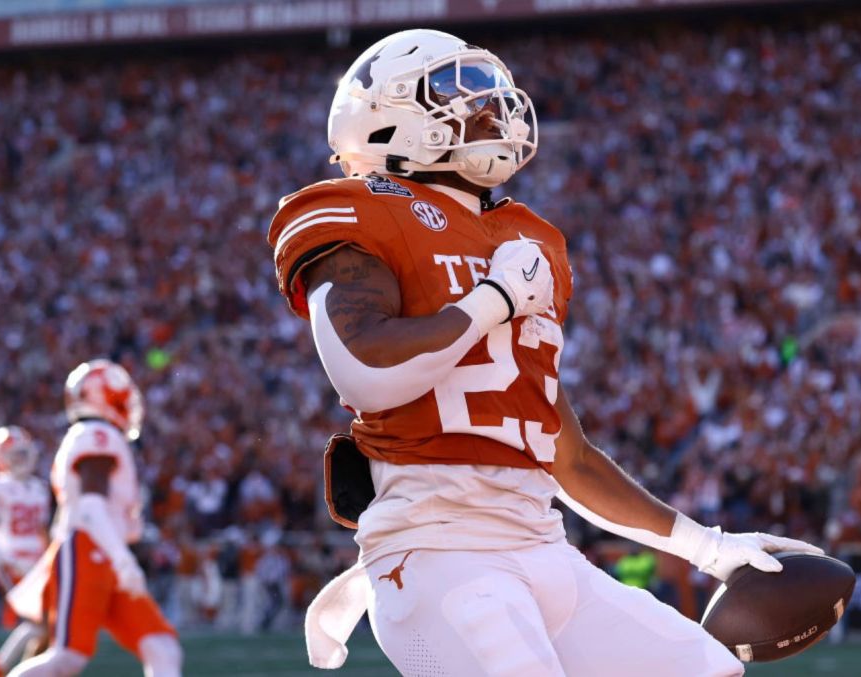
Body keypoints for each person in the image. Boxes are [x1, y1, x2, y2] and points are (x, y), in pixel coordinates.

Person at [269, 29, 822, 676]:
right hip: (437, 552)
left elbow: (568, 456)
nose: (489, 106)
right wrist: (496, 298)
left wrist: (710, 548)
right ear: (388, 118)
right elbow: (365, 372)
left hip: (541, 547)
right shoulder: (363, 209)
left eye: (488, 89)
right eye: (456, 89)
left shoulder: (530, 236)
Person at [6, 359, 182, 677]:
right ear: (103, 396)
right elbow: (90, 506)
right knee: (68, 657)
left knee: (162, 646)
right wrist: (123, 561)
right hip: (88, 548)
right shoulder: (98, 434)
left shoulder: (92, 434)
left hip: (104, 551)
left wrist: (120, 558)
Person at [0, 427, 50, 675]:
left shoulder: (39, 488)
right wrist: (2, 557)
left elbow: (42, 531)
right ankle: (0, 667)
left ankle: (6, 667)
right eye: (14, 455)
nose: (20, 460)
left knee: (45, 625)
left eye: (23, 453)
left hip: (37, 564)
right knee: (40, 620)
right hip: (10, 560)